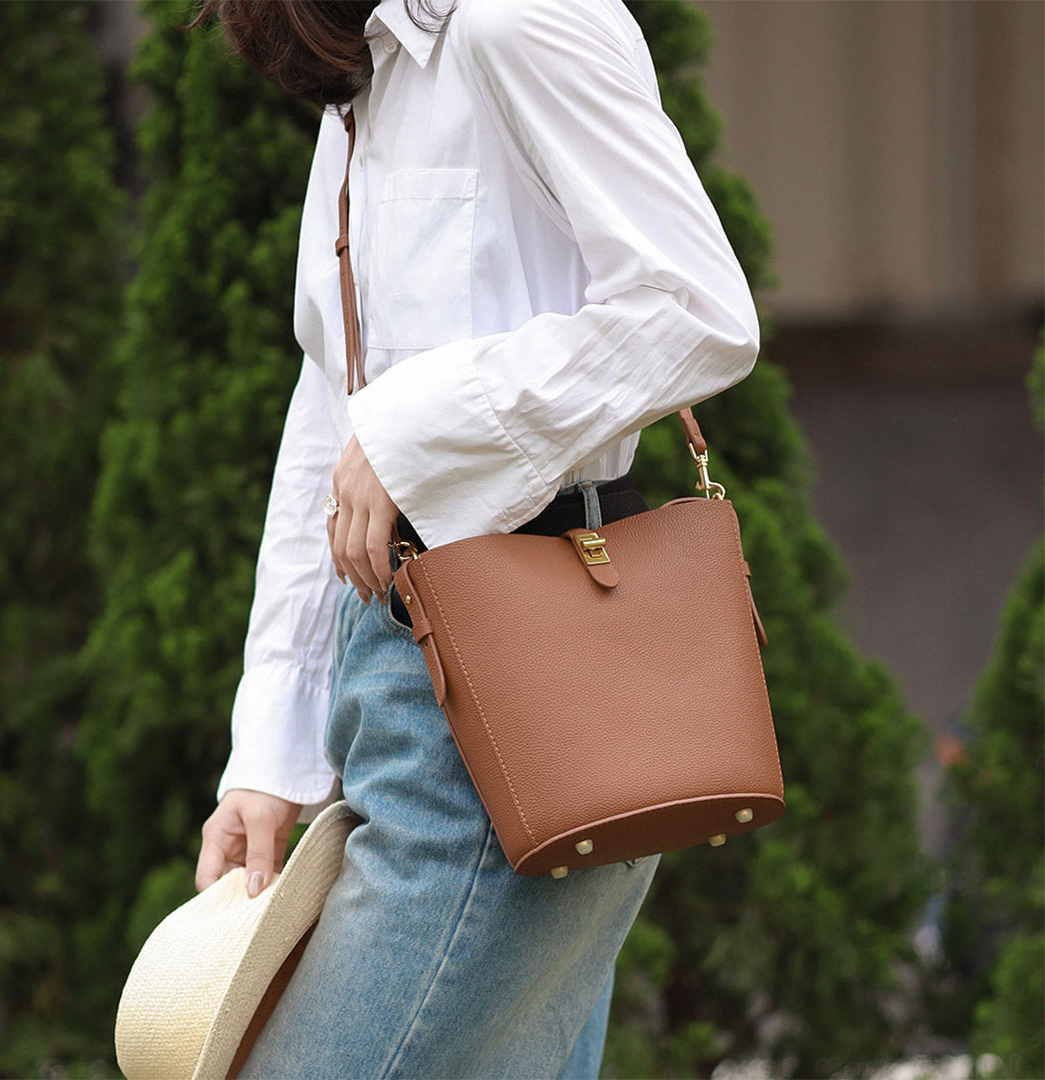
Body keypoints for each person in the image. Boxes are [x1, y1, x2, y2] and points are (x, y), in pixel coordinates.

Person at [193, 0, 760, 1076]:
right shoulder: (364, 74)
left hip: (530, 690)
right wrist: (271, 750)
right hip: (397, 686)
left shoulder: (520, 20)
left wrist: (424, 428)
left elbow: (698, 309)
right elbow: (333, 400)